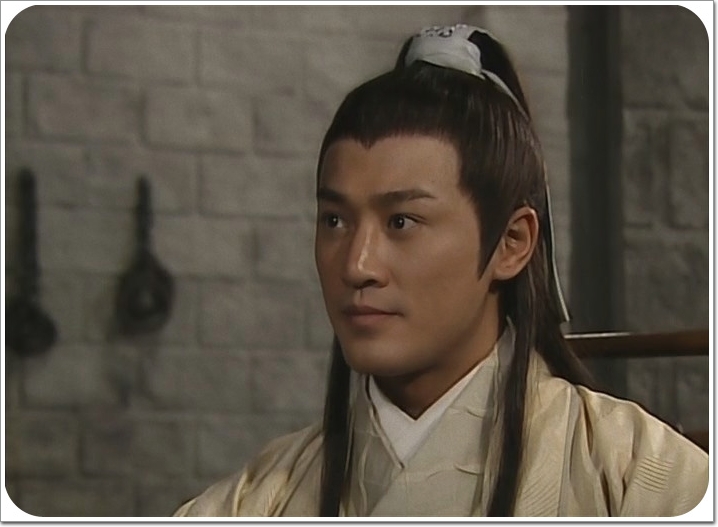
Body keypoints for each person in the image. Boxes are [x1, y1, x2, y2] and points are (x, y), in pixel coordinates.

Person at [173, 24, 708, 517]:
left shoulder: (639, 477)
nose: (357, 265)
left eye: (401, 222)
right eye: (334, 220)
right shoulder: (257, 501)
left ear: (512, 243)